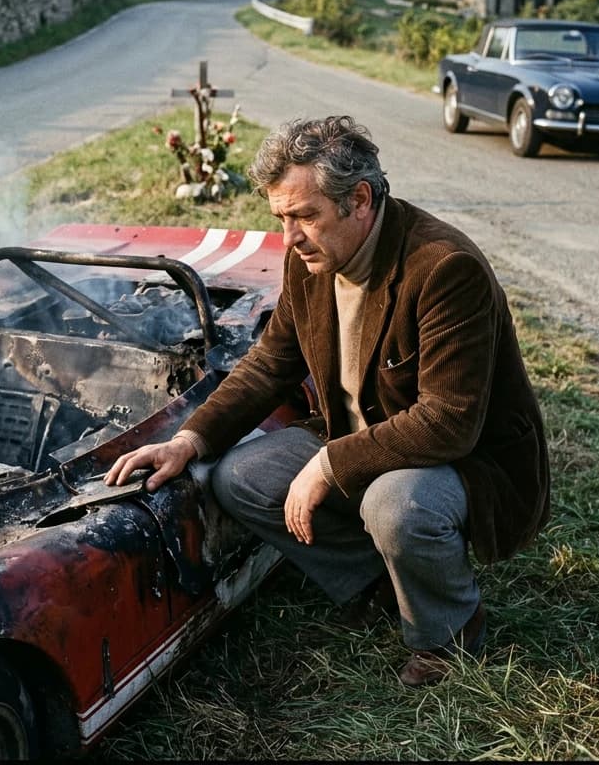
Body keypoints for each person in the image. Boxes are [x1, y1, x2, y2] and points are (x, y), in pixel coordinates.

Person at [105, 115, 550, 687]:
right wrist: (189, 439)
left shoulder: (444, 268)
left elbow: (450, 422)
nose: (288, 237)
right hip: (366, 439)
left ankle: (448, 630)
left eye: (304, 216)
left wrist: (329, 464)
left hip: (463, 461)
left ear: (360, 199)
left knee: (396, 505)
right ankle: (383, 585)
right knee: (239, 475)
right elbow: (271, 362)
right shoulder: (309, 258)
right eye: (281, 218)